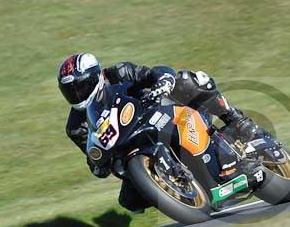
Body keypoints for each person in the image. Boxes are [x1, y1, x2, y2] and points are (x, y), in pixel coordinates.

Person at [57, 52, 260, 212]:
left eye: (82, 86)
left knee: (188, 80)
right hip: (129, 148)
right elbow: (94, 155)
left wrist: (161, 82)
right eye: (71, 91)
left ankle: (236, 120)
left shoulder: (120, 72)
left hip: (159, 113)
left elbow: (154, 73)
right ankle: (180, 193)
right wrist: (96, 165)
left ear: (97, 75)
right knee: (130, 201)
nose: (77, 94)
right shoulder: (76, 126)